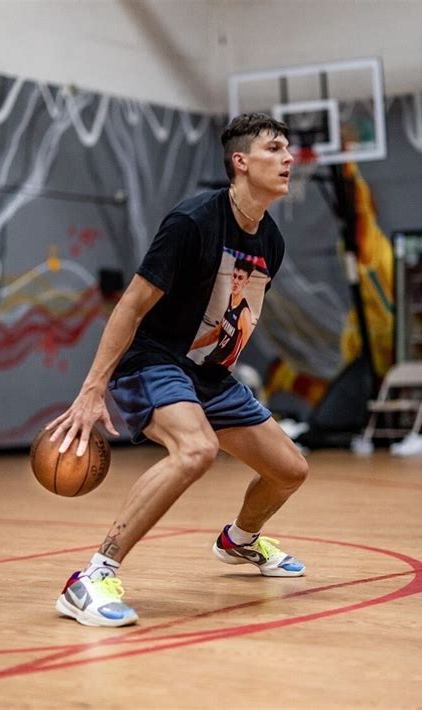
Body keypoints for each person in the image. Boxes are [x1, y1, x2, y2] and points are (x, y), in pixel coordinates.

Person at [47, 112, 309, 628]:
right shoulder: (193, 221)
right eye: (275, 149)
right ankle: (91, 578)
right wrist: (92, 389)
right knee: (196, 450)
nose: (288, 158)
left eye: (287, 150)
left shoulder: (270, 241)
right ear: (241, 162)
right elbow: (131, 305)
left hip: (208, 375)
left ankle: (239, 541)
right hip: (153, 361)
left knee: (290, 470)